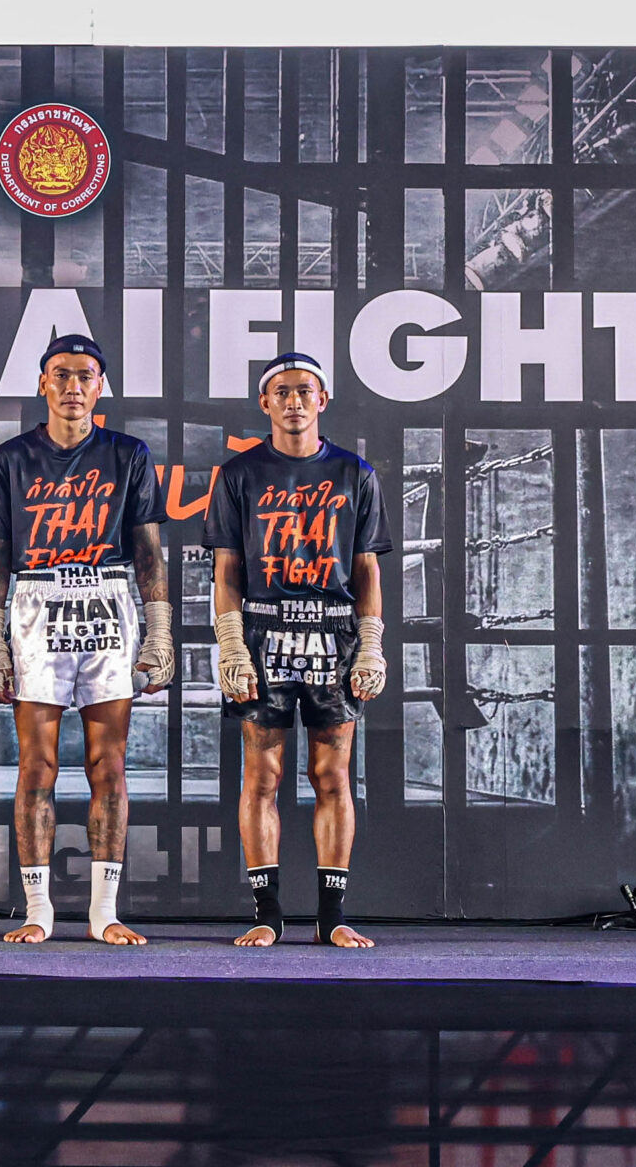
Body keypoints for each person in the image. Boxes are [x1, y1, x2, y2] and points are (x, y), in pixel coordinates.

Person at [0, 334, 173, 945]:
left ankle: (103, 912)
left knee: (108, 763)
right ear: (43, 383)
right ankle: (38, 910)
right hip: (37, 600)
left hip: (107, 599)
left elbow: (148, 550)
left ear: (101, 385)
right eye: (61, 374)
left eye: (85, 375)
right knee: (36, 763)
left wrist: (160, 628)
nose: (73, 386)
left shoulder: (128, 454)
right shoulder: (10, 458)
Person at [205, 351, 389, 949]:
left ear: (323, 399)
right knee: (263, 774)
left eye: (304, 390)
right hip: (264, 630)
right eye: (281, 391)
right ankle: (268, 913)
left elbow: (366, 568)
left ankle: (332, 916)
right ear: (265, 402)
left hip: (334, 632)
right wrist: (231, 643)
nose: (293, 401)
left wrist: (371, 645)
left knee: (332, 774)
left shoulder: (355, 473)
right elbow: (227, 568)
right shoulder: (239, 474)